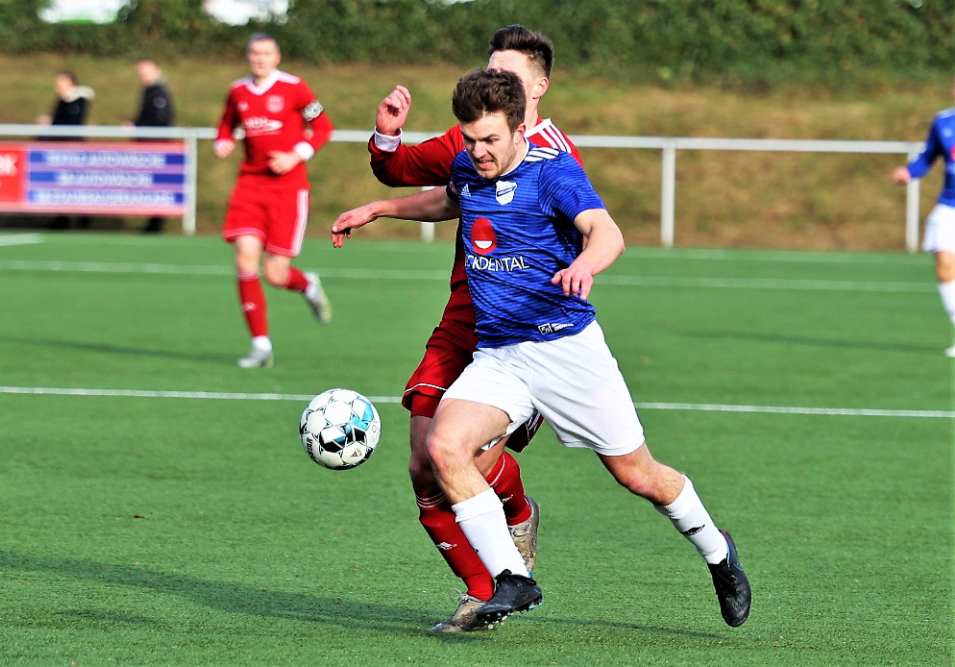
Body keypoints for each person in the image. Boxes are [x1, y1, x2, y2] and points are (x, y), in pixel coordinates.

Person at [332, 68, 752, 629]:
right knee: (443, 448)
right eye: (470, 138)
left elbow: (608, 232)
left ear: (519, 128)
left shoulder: (554, 175)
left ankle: (718, 552)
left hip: (568, 353)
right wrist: (379, 209)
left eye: (490, 140)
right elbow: (448, 199)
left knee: (638, 475)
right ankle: (512, 578)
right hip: (501, 356)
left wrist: (583, 263)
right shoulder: (469, 163)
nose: (477, 151)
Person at [362, 25, 581, 632]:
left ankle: (517, 515)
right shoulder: (471, 141)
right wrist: (387, 134)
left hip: (523, 337)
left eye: (508, 76)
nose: (495, 83)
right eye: (490, 71)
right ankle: (484, 589)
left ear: (538, 87)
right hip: (463, 320)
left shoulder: (558, 159)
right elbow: (405, 171)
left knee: (466, 460)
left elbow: (585, 237)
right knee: (420, 465)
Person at [214, 32, 334, 368]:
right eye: (254, 53)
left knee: (276, 275)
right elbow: (225, 126)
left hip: (288, 188)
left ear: (277, 57)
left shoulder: (295, 87)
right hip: (250, 186)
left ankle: (307, 285)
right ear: (248, 56)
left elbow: (323, 127)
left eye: (266, 53)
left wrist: (295, 156)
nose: (260, 58)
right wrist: (221, 142)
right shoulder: (237, 91)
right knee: (244, 258)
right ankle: (260, 344)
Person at [892, 76, 955, 357]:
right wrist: (910, 171)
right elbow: (928, 157)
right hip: (949, 206)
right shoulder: (943, 122)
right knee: (945, 266)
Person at [36, 71, 95, 229]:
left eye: (61, 82)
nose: (57, 87)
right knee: (61, 183)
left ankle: (84, 218)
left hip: (73, 149)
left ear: (70, 83)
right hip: (60, 148)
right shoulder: (62, 101)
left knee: (77, 183)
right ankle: (63, 218)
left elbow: (73, 122)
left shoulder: (78, 101)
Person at [124, 58, 174, 233]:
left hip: (157, 146)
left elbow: (160, 118)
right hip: (149, 144)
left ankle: (156, 222)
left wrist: (138, 127)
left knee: (158, 183)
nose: (143, 76)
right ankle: (153, 222)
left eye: (146, 72)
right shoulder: (149, 91)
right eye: (141, 73)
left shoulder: (159, 92)